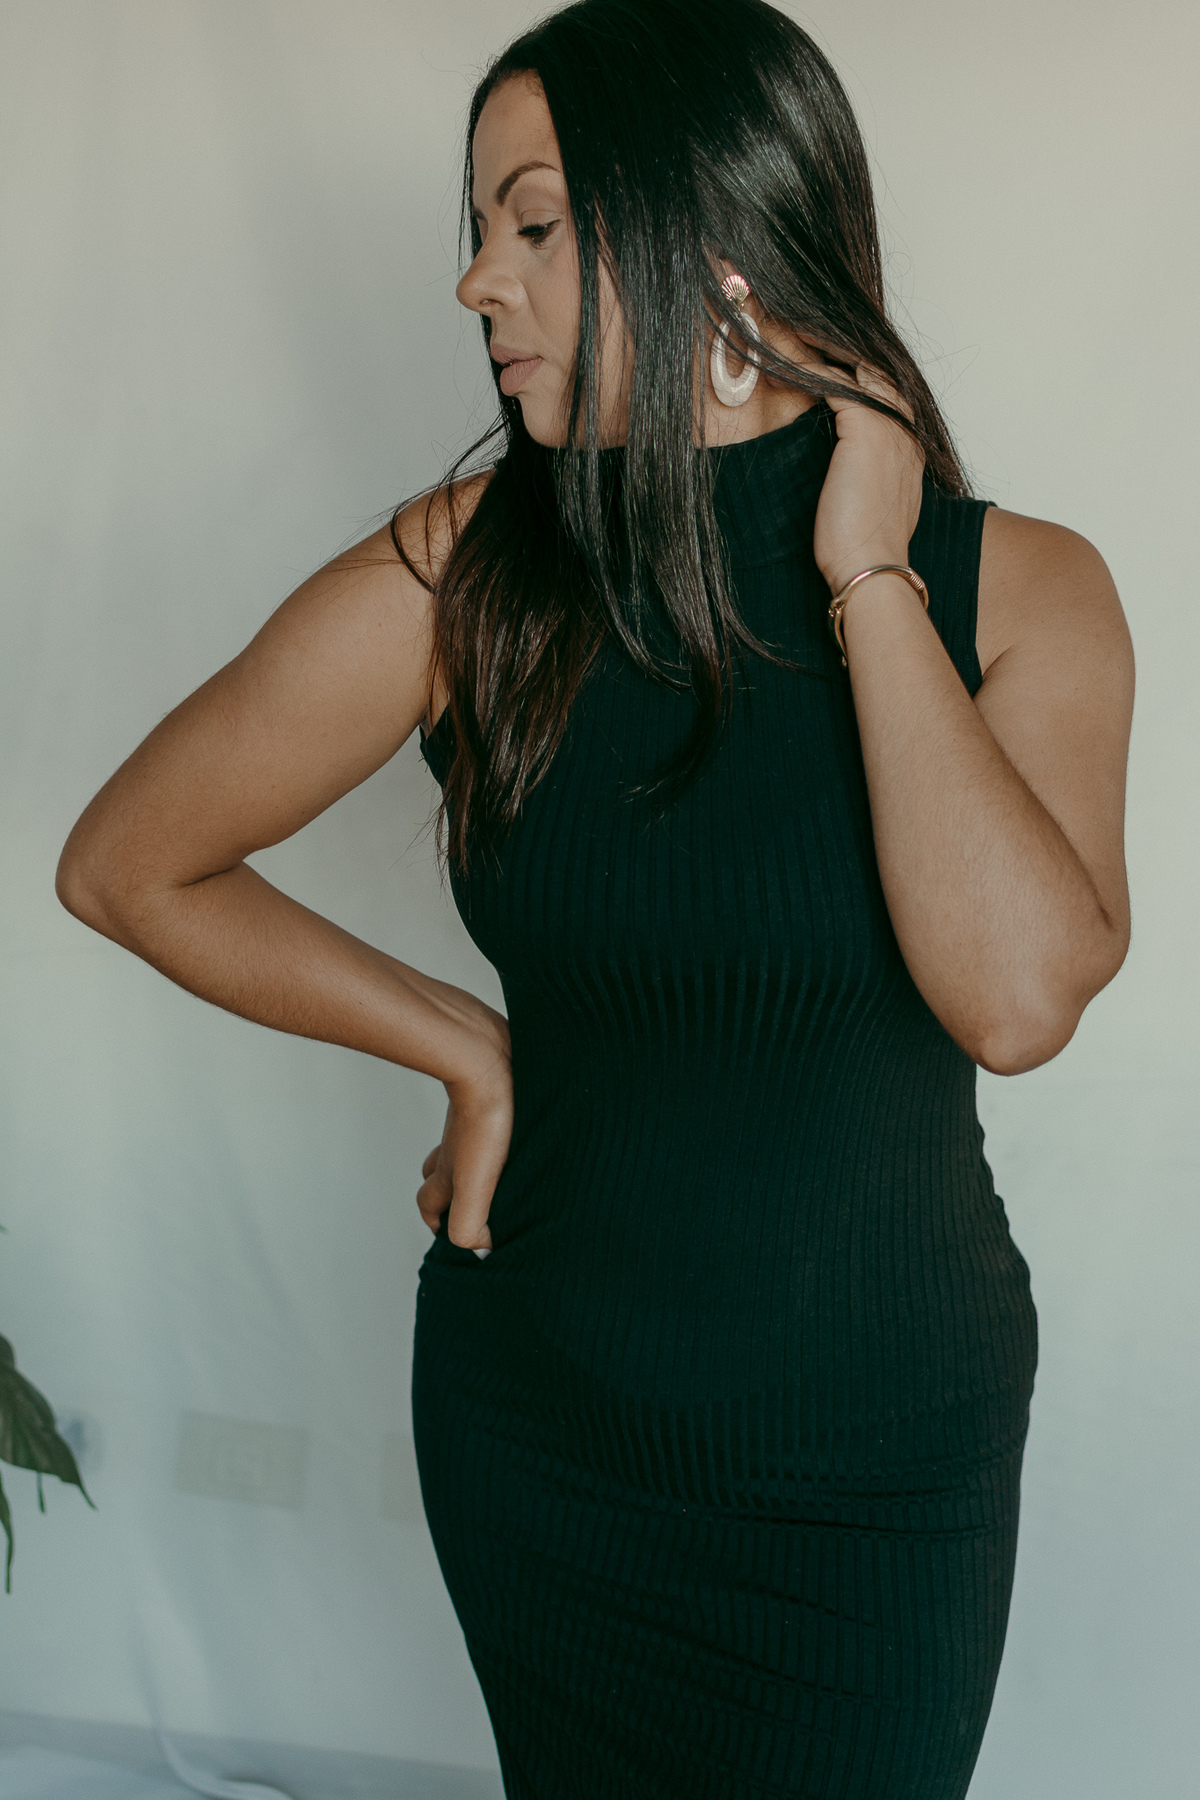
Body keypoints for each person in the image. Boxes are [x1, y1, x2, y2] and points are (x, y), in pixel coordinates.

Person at [56, 1, 1134, 1795]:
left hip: (876, 1469)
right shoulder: (463, 581)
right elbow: (128, 861)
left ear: (721, 239)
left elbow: (1016, 1002)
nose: (476, 281)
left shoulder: (1019, 589)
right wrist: (465, 1048)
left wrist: (868, 569)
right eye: (480, 228)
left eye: (535, 225)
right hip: (547, 1431)